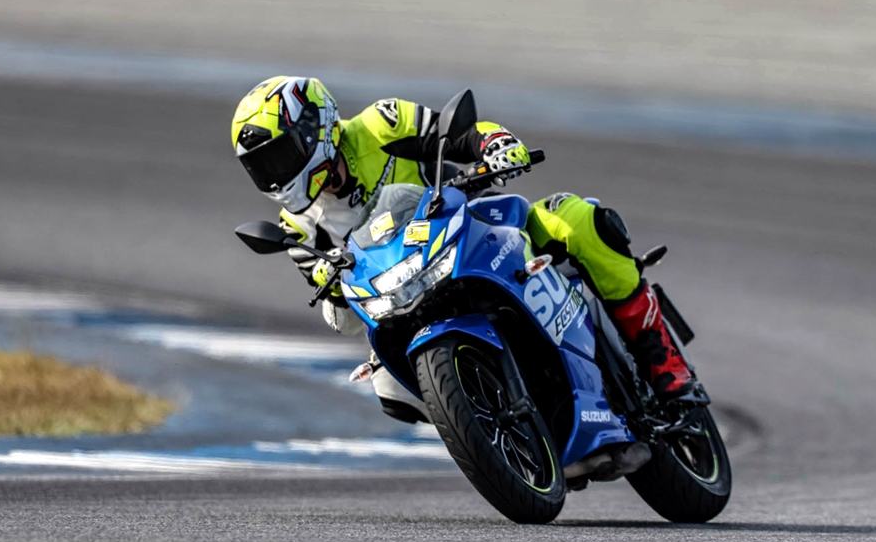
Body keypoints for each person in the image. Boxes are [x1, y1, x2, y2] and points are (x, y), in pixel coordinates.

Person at [230, 75, 695, 400]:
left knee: (576, 220)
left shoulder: (378, 125)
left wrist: (495, 146)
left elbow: (460, 135)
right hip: (404, 298)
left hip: (472, 231)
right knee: (387, 385)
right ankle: (487, 417)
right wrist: (331, 286)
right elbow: (343, 316)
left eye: (279, 156)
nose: (275, 174)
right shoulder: (297, 228)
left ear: (314, 128)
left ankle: (664, 363)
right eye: (263, 166)